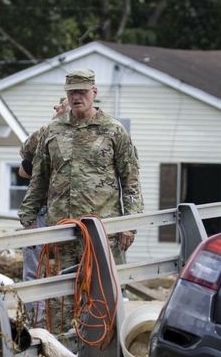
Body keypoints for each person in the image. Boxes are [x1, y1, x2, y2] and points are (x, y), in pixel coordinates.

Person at [18, 69, 142, 323]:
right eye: (72, 92)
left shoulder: (113, 131)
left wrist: (130, 225)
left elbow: (130, 180)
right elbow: (39, 178)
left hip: (100, 231)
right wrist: (28, 216)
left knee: (101, 300)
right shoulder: (52, 131)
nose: (77, 97)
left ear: (94, 93)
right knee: (60, 302)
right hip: (61, 231)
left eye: (82, 92)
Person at [19, 97, 69, 283]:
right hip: (41, 210)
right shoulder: (48, 133)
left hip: (68, 214)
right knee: (35, 270)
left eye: (61, 106)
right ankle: (33, 313)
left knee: (62, 271)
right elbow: (24, 165)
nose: (56, 107)